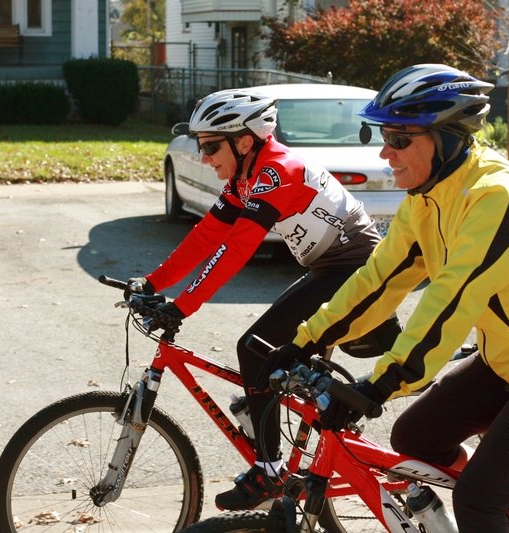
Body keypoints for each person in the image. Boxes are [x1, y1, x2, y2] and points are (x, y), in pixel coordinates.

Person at [265, 64, 509, 532]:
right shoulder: (426, 200)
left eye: (400, 139)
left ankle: (495, 506)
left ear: (444, 138)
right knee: (415, 438)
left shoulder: (496, 197)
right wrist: (303, 342)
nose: (387, 152)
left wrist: (382, 383)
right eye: (382, 136)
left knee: (478, 499)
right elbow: (377, 282)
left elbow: (452, 299)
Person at [126, 89, 401, 511]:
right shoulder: (247, 176)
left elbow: (236, 248)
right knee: (269, 371)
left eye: (211, 147)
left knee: (255, 349)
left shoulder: (277, 171)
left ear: (245, 140)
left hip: (355, 271)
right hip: (333, 270)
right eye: (201, 147)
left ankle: (270, 471)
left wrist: (182, 305)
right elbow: (207, 235)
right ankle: (307, 449)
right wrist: (153, 282)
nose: (204, 158)